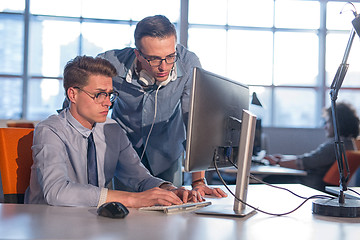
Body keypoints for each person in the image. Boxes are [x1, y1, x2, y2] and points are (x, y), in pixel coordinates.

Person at [25, 56, 203, 208]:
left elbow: (140, 178)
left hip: (91, 223)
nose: (108, 103)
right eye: (99, 94)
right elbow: (56, 192)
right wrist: (132, 199)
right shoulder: (49, 130)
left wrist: (169, 190)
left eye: (110, 94)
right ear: (73, 95)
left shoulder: (112, 129)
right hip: (49, 224)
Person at [97, 15, 226, 197]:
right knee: (126, 214)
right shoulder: (110, 64)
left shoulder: (188, 64)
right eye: (154, 59)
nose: (163, 67)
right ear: (138, 55)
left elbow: (196, 121)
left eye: (170, 56)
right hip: (124, 154)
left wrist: (198, 180)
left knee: (171, 210)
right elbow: (84, 107)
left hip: (167, 151)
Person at [264, 102, 360, 191]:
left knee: (268, 179)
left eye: (327, 122)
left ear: (337, 123)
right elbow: (310, 159)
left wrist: (277, 162)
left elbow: (305, 162)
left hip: (312, 186)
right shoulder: (349, 144)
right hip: (321, 185)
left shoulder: (335, 146)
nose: (325, 127)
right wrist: (284, 158)